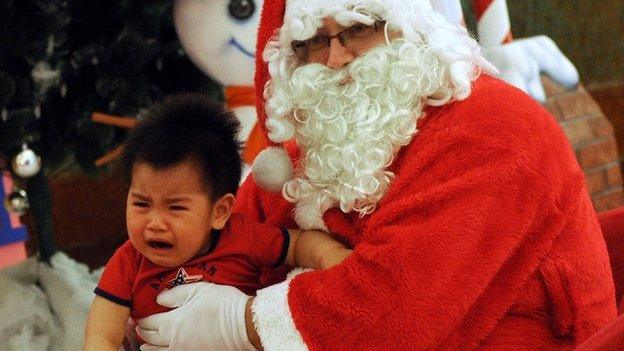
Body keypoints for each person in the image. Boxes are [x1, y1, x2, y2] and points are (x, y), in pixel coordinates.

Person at [136, 0, 618, 349]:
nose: (336, 57)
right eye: (312, 42)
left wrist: (237, 323)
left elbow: (399, 312)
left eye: (358, 28)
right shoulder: (309, 148)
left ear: (410, 29)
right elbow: (226, 239)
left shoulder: (496, 128)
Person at [83, 94, 351, 351]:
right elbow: (101, 336)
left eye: (175, 208)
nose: (154, 223)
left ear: (219, 211)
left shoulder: (242, 236)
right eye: (141, 203)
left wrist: (333, 257)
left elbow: (298, 243)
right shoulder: (128, 263)